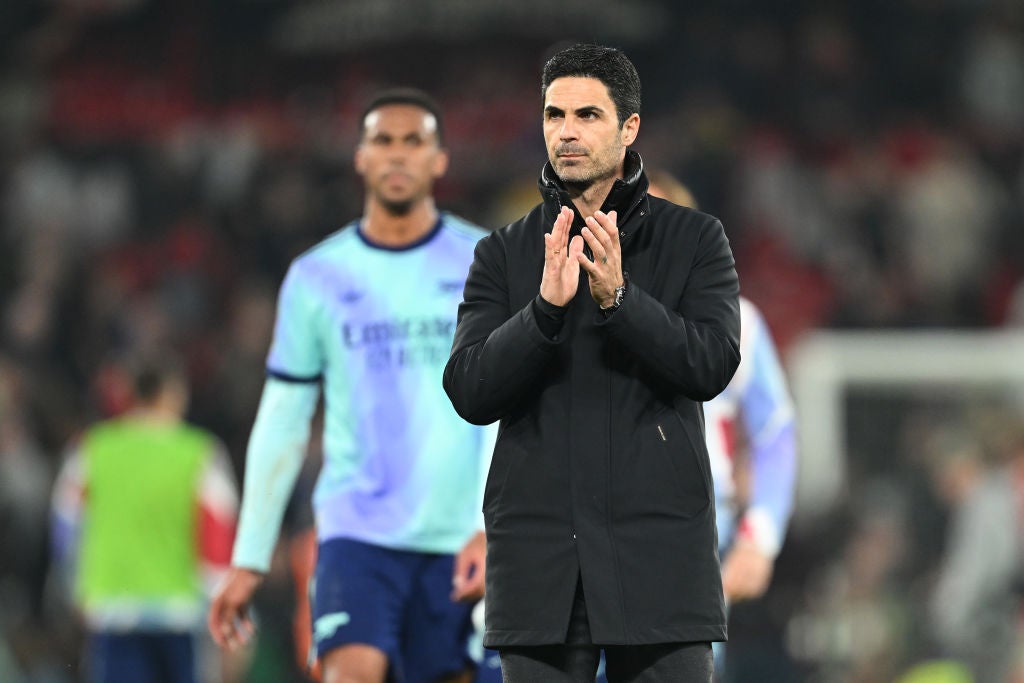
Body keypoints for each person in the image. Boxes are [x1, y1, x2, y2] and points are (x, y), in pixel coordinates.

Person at [444, 44, 741, 682]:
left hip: (659, 561)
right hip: (540, 568)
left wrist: (621, 301)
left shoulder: (695, 239)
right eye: (554, 116)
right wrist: (543, 313)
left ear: (629, 127)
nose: (567, 132)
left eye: (587, 115)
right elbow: (469, 389)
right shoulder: (502, 253)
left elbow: (712, 365)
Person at [207, 88, 492, 683]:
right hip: (355, 534)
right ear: (359, 157)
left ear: (439, 160)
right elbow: (283, 418)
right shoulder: (316, 277)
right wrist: (250, 557)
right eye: (382, 141)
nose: (397, 155)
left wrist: (495, 525)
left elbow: (506, 409)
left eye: (413, 142)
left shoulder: (482, 263)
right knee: (351, 673)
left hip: (457, 537)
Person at [50, 357, 239, 683]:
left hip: (112, 610)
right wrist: (222, 604)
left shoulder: (91, 450)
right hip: (180, 613)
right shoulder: (199, 453)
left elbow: (66, 527)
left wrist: (74, 590)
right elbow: (219, 533)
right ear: (173, 395)